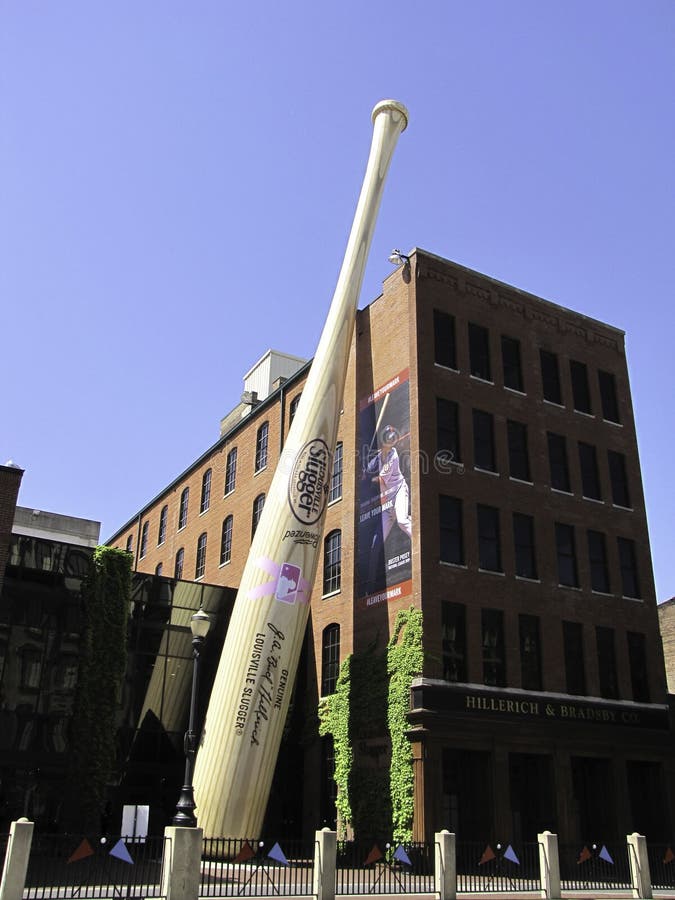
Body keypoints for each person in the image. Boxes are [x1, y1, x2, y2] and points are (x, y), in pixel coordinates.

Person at [365, 425, 412, 542]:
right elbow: (368, 469)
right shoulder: (378, 457)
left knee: (402, 522)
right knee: (379, 538)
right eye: (389, 439)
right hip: (388, 499)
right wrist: (364, 471)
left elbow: (381, 479)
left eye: (392, 439)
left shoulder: (393, 456)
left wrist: (368, 479)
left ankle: (420, 539)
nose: (391, 441)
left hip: (399, 491)